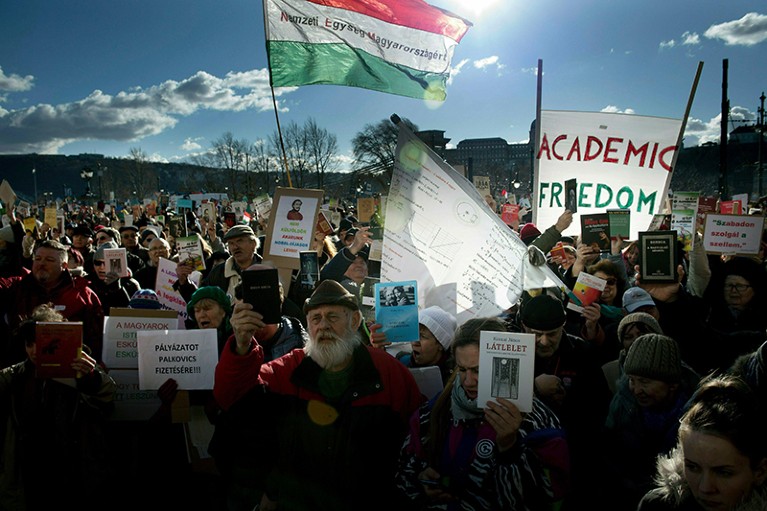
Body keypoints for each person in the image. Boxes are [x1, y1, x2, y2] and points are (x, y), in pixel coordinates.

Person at [213, 279, 423, 510]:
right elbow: (231, 397)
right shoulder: (290, 369)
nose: (323, 325)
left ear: (354, 321)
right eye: (316, 318)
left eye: (332, 317)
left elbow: (418, 434)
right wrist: (242, 346)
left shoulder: (389, 373)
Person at [394, 316, 569, 510]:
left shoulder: (536, 421)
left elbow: (545, 497)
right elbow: (404, 470)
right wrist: (421, 481)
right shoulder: (435, 411)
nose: (468, 381)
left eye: (478, 370)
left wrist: (509, 450)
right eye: (462, 369)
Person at [0, 303, 116, 510]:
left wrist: (90, 378)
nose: (35, 350)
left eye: (41, 342)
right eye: (29, 344)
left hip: (71, 469)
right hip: (29, 470)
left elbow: (107, 396)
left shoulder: (79, 369)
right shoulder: (16, 375)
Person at [518, 292, 612, 509]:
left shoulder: (582, 352)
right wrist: (532, 388)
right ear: (523, 328)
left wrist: (567, 401)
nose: (543, 341)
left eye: (551, 334)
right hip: (527, 453)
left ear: (562, 327)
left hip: (575, 454)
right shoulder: (511, 352)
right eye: (536, 334)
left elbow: (600, 407)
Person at [637, 374, 767, 510]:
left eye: (723, 472)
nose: (705, 488)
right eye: (693, 467)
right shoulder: (657, 507)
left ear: (760, 472)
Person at [602, 334, 701, 511]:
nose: (636, 389)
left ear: (672, 384)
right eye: (632, 380)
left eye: (645, 382)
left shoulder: (698, 416)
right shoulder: (622, 406)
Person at [0, 239, 104, 365]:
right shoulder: (16, 287)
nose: (41, 264)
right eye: (37, 259)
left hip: (67, 371)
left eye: (49, 260)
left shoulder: (83, 294)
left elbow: (96, 338)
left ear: (64, 265)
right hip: (20, 372)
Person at [394, 305, 458, 390]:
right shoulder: (400, 363)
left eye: (423, 336)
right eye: (414, 334)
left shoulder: (455, 380)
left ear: (440, 345)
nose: (414, 342)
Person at [602, 312, 664, 394]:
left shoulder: (673, 366)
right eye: (628, 337)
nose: (636, 340)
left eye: (642, 335)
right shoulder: (610, 371)